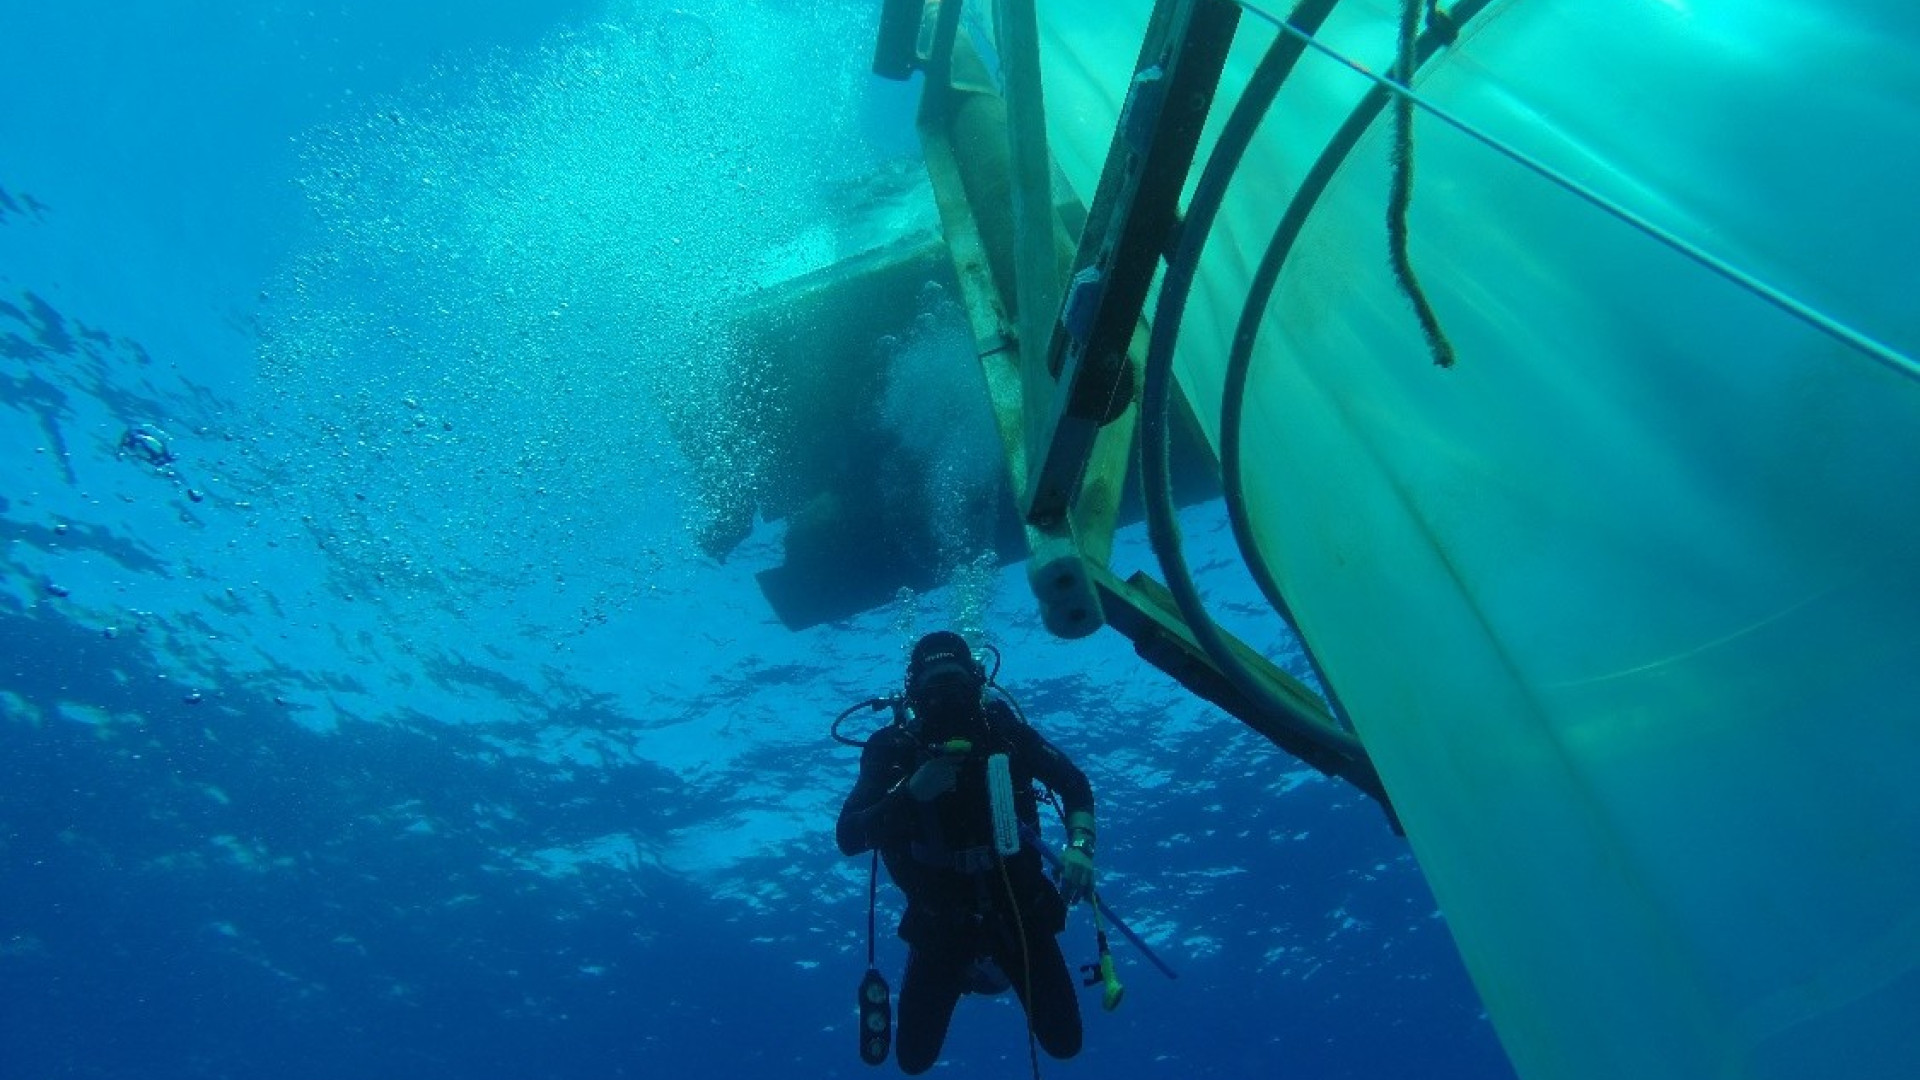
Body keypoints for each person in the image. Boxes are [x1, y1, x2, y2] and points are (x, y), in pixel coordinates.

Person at [837, 631, 1099, 1075]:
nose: (947, 703)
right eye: (934, 692)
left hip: (1020, 907)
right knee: (914, 1059)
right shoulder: (893, 748)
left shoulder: (1005, 733)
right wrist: (910, 796)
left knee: (1065, 1042)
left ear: (977, 685)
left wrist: (1080, 847)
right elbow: (849, 836)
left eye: (956, 688)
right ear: (915, 695)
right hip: (939, 918)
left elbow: (1073, 783)